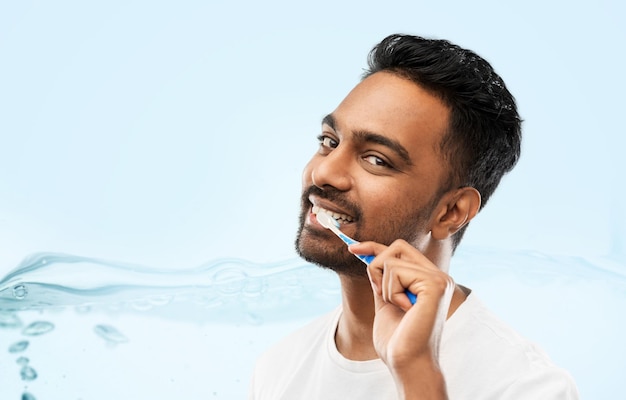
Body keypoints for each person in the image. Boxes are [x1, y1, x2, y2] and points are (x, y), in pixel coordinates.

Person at [249, 34, 579, 399]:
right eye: (330, 141)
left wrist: (417, 372)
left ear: (451, 212)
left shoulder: (525, 387)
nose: (323, 173)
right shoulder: (278, 368)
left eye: (376, 159)